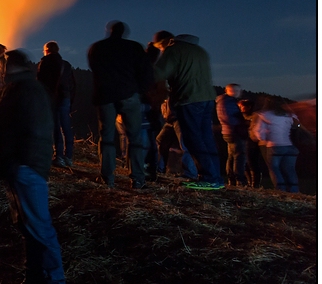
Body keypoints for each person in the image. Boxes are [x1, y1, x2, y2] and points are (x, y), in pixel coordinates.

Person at [0, 49, 70, 284]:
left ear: (9, 67)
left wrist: (13, 161)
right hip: (20, 167)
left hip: (26, 168)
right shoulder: (22, 88)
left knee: (40, 229)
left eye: (1, 66)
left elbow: (25, 131)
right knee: (28, 228)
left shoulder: (26, 91)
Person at [151, 31, 224, 190]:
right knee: (206, 139)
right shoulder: (200, 51)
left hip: (188, 98)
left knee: (193, 139)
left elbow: (159, 73)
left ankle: (208, 177)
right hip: (207, 98)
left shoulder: (174, 50)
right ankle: (216, 177)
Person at [87, 21, 153, 189]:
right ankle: (137, 178)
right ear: (124, 32)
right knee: (135, 138)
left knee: (107, 137)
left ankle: (107, 177)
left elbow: (95, 69)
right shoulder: (134, 48)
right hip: (129, 95)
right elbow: (146, 71)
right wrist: (139, 90)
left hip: (105, 97)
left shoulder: (97, 48)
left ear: (108, 31)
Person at [37, 41, 76, 168]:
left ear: (47, 50)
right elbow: (72, 85)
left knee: (56, 128)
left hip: (51, 99)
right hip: (65, 98)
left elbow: (41, 83)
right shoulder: (66, 65)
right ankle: (68, 156)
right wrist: (71, 102)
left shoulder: (45, 63)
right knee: (66, 128)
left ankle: (59, 156)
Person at [252, 97, 299, 193]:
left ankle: (281, 190)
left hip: (274, 146)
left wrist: (263, 138)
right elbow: (297, 125)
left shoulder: (264, 115)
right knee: (290, 169)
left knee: (274, 169)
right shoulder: (290, 115)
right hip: (289, 146)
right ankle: (294, 191)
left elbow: (258, 132)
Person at [216, 84, 248, 187]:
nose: (239, 93)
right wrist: (243, 121)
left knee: (231, 156)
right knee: (239, 156)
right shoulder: (229, 102)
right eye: (237, 90)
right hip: (234, 132)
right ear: (230, 91)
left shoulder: (221, 101)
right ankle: (239, 180)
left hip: (226, 132)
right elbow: (231, 118)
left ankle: (231, 179)